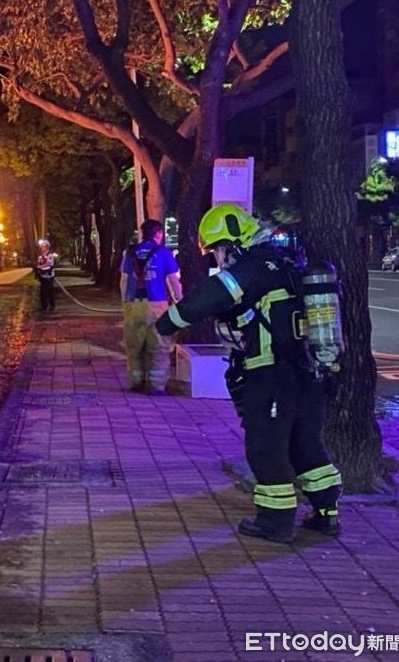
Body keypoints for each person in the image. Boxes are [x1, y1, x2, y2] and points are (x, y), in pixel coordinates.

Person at [155, 203, 342, 543]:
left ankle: (275, 522)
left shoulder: (254, 266)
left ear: (233, 242)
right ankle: (327, 513)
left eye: (218, 250)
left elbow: (208, 297)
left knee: (265, 446)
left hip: (270, 374)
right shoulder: (286, 262)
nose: (218, 259)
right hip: (306, 372)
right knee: (305, 444)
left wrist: (166, 324)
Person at [120, 219, 182, 393]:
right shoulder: (164, 253)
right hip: (157, 305)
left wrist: (125, 304)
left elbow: (124, 280)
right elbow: (173, 281)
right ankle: (156, 386)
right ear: (158, 233)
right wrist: (180, 301)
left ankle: (136, 382)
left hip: (133, 305)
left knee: (134, 347)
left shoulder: (130, 252)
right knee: (159, 347)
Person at [36, 239, 57, 312]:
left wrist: (41, 267)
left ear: (47, 247)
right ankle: (44, 306)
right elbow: (38, 264)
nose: (42, 248)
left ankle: (52, 306)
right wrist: (39, 269)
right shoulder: (40, 256)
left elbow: (49, 264)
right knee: (42, 292)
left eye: (43, 247)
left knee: (49, 292)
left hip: (49, 277)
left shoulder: (50, 255)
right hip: (43, 277)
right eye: (41, 247)